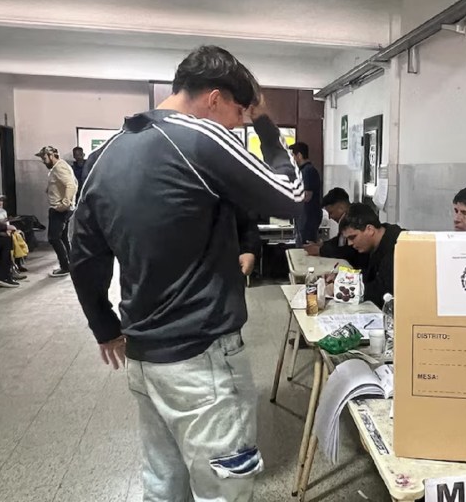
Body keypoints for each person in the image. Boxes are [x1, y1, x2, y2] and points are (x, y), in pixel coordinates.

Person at [70, 45, 304, 501]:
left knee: (164, 484)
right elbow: (292, 194)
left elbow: (83, 254)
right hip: (204, 359)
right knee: (224, 489)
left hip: (143, 357)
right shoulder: (198, 137)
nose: (238, 123)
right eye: (238, 111)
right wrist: (264, 123)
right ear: (214, 98)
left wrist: (104, 327)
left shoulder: (105, 153)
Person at [339, 202, 403, 307]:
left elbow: (381, 293)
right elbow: (369, 277)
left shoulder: (396, 248)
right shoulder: (377, 244)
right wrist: (343, 279)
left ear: (370, 229)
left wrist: (340, 290)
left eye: (352, 237)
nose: (350, 243)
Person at [34, 145, 78, 278]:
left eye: (44, 157)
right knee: (63, 237)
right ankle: (70, 264)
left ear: (52, 155)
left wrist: (65, 203)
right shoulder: (58, 167)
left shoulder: (59, 167)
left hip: (60, 210)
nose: (43, 160)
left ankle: (65, 266)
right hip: (62, 209)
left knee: (54, 238)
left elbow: (71, 185)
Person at [305, 188, 368, 270]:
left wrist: (321, 250)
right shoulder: (345, 222)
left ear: (341, 207)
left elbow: (348, 251)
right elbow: (339, 241)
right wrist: (322, 245)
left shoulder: (356, 219)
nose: (330, 217)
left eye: (331, 213)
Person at [0, 191, 29, 273]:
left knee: (19, 236)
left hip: (6, 229)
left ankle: (18, 261)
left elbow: (7, 223)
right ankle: (11, 264)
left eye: (1, 200)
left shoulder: (3, 211)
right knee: (10, 239)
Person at [289, 141, 322, 245]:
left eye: (292, 156)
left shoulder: (308, 171)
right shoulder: (302, 171)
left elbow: (307, 196)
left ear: (299, 155)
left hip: (308, 220)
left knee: (306, 248)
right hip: (303, 218)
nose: (291, 160)